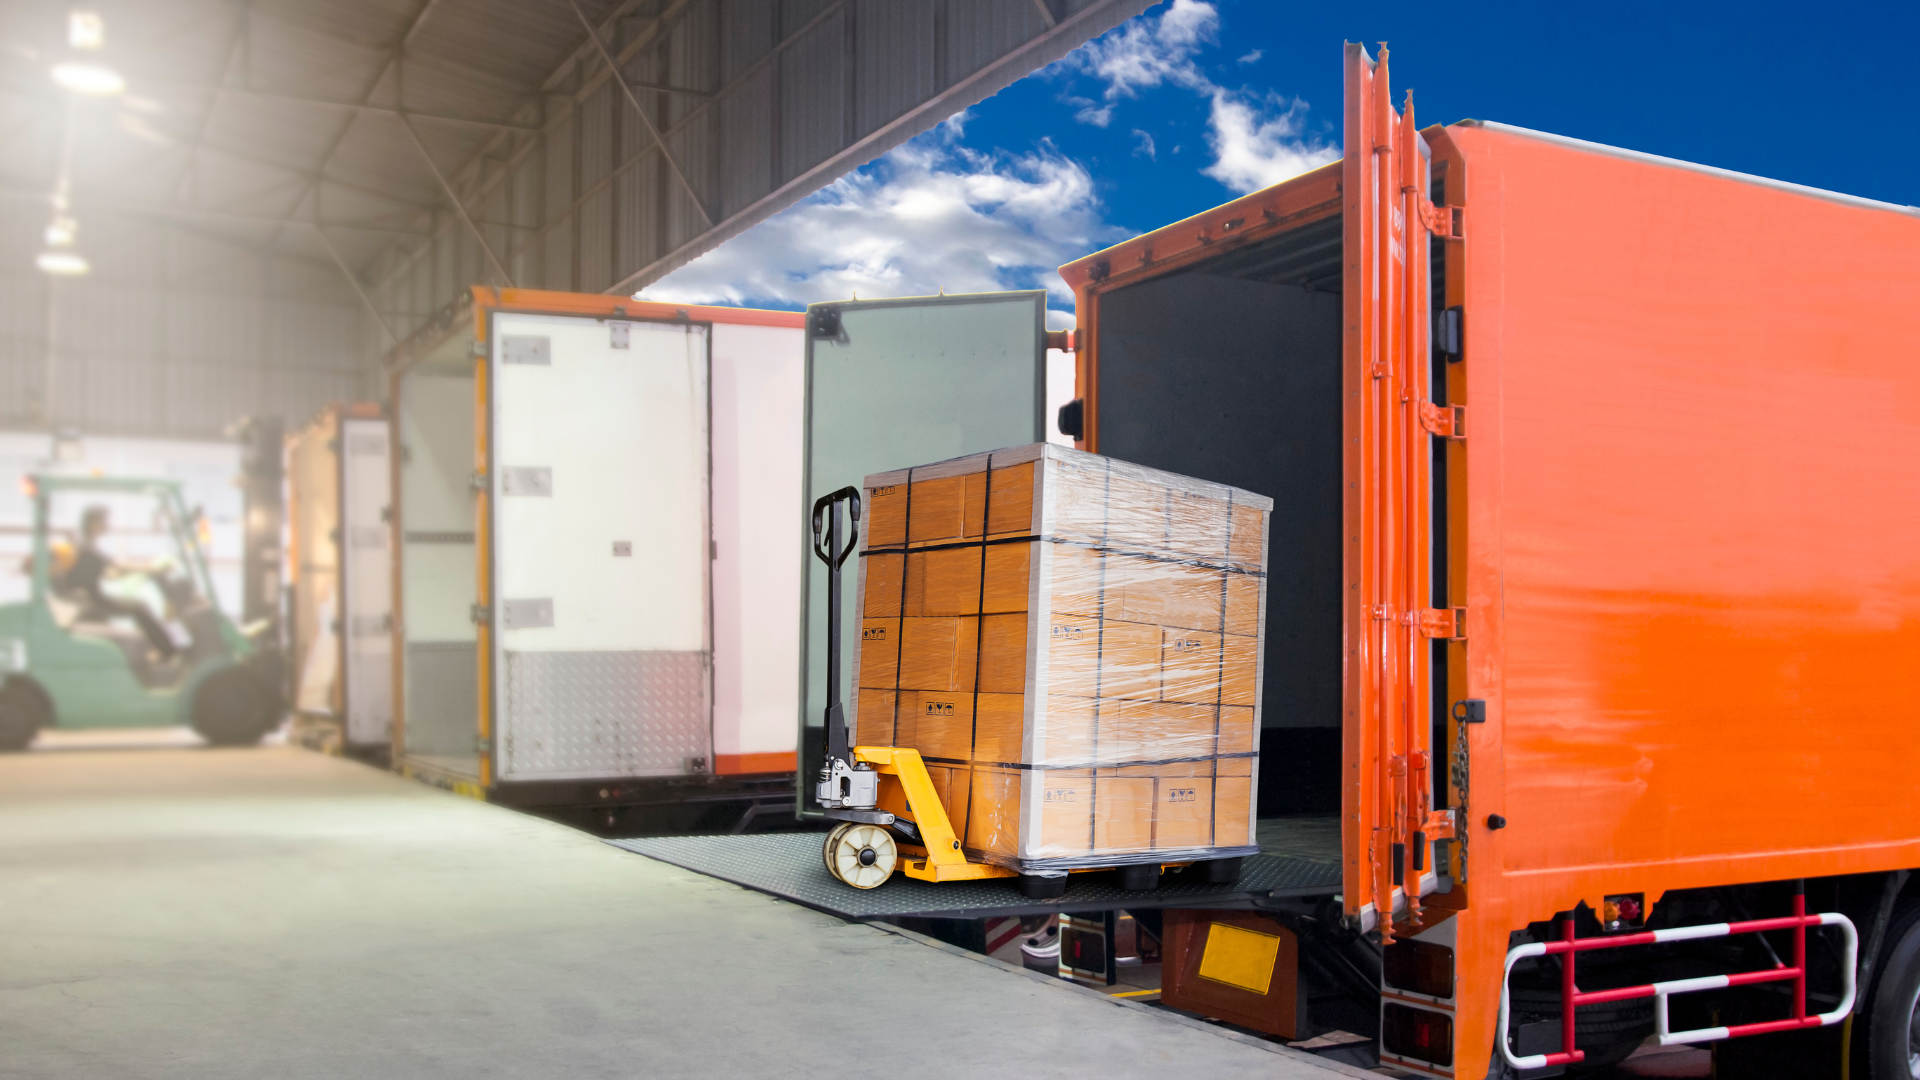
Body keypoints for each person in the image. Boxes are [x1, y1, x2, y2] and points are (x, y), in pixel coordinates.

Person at [63, 506, 177, 661]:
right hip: (94, 601)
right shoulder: (87, 548)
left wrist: (138, 571)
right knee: (139, 607)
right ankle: (168, 652)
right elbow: (117, 566)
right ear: (93, 524)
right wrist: (150, 568)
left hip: (91, 598)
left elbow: (110, 573)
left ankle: (157, 650)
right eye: (104, 521)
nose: (107, 525)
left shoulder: (86, 546)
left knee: (137, 605)